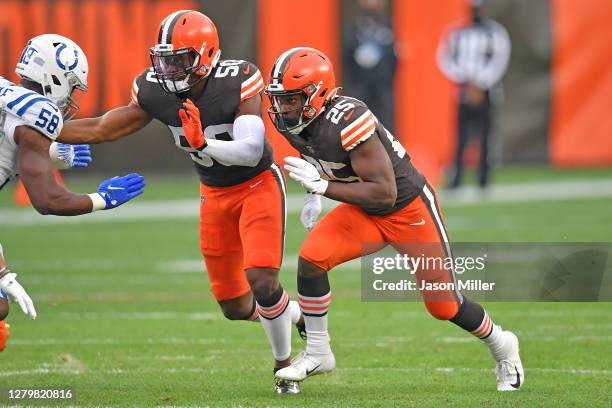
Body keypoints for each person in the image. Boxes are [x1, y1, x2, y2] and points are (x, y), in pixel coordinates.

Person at [57, 10, 304, 394]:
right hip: (214, 192)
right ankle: (294, 312)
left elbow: (252, 149)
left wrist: (205, 143)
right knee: (234, 307)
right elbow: (102, 127)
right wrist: (42, 127)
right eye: (163, 59)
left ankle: (284, 369)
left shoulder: (236, 79)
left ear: (206, 56)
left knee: (261, 278)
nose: (168, 69)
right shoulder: (155, 89)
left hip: (257, 186)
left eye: (178, 60)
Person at [264, 47, 524, 391]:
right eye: (280, 99)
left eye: (292, 100)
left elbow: (384, 192)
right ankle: (318, 351)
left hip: (407, 209)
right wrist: (315, 193)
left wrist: (324, 188)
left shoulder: (349, 119)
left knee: (444, 305)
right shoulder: (296, 125)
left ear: (318, 93)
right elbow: (326, 161)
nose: (284, 108)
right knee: (311, 260)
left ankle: (503, 344)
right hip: (364, 210)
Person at [0, 34, 146, 351]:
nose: (71, 97)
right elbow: (47, 199)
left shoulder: (6, 92)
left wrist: (50, 154)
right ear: (55, 77)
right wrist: (101, 200)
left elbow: (10, 141)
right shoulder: (37, 113)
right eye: (72, 85)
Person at [437, 0, 511, 189]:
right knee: (461, 136)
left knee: (486, 134)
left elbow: (500, 60)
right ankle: (457, 178)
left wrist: (481, 82)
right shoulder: (457, 33)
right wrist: (465, 80)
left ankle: (484, 178)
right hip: (463, 91)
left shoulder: (496, 33)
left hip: (487, 91)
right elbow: (444, 58)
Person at [342, 0, 397, 132]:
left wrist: (387, 83)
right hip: (360, 88)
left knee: (385, 129)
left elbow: (394, 59)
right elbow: (346, 60)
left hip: (382, 90)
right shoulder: (353, 30)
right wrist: (353, 86)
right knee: (359, 128)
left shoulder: (389, 28)